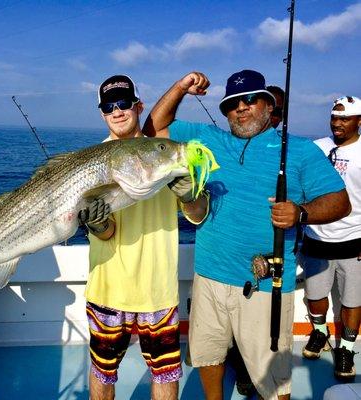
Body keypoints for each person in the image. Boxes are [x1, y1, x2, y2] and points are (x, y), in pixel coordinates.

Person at [142, 69, 351, 400]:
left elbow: (340, 202)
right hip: (209, 275)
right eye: (232, 104)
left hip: (266, 283)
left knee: (273, 375)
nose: (241, 108)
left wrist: (301, 212)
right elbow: (152, 128)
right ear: (225, 112)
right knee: (208, 356)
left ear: (269, 106)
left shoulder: (298, 150)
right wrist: (182, 87)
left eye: (251, 100)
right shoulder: (209, 138)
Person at [80, 74, 209, 400]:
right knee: (102, 372)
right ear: (102, 113)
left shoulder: (164, 152)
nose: (118, 111)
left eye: (124, 103)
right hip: (108, 288)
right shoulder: (91, 162)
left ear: (138, 105)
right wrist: (96, 225)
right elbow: (107, 233)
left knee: (166, 374)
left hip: (158, 291)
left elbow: (197, 215)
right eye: (109, 106)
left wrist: (190, 194)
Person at [226, 83, 285, 397]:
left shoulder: (288, 151)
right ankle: (242, 368)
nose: (274, 119)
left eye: (277, 112)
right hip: (239, 255)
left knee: (263, 323)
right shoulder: (238, 146)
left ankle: (264, 370)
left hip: (275, 252)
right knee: (239, 319)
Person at [299, 95, 361, 380]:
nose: (337, 124)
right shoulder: (316, 148)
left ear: (359, 121)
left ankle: (347, 348)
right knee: (315, 295)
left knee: (352, 300)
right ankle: (320, 332)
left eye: (345, 119)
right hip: (316, 237)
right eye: (334, 118)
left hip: (355, 239)